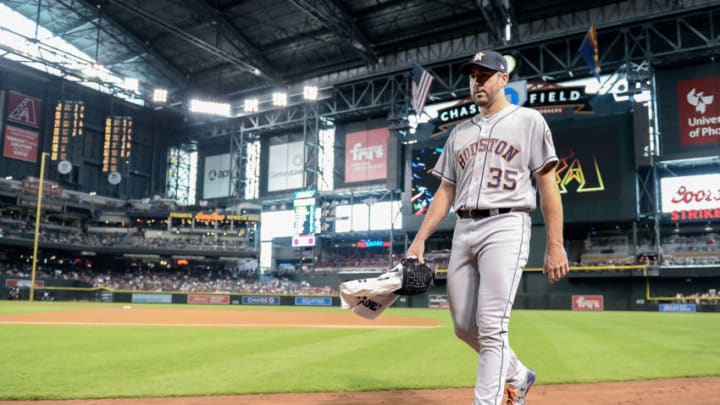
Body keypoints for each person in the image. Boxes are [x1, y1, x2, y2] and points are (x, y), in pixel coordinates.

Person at [406, 50, 569, 405]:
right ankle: (520, 375)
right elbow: (445, 192)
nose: (477, 81)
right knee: (464, 327)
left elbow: (548, 186)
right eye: (473, 75)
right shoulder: (459, 134)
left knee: (493, 326)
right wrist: (420, 238)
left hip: (508, 224)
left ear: (503, 80)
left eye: (485, 74)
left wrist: (555, 243)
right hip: (463, 229)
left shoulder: (528, 121)